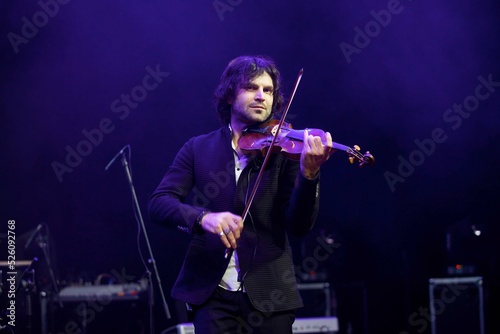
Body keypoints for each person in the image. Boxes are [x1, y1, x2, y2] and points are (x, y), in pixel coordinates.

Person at [148, 55, 333, 333]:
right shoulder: (198, 148)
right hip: (212, 295)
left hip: (271, 294)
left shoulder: (286, 149)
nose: (261, 96)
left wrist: (309, 175)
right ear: (229, 95)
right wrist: (203, 218)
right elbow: (159, 203)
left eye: (268, 91)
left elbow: (299, 225)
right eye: (251, 88)